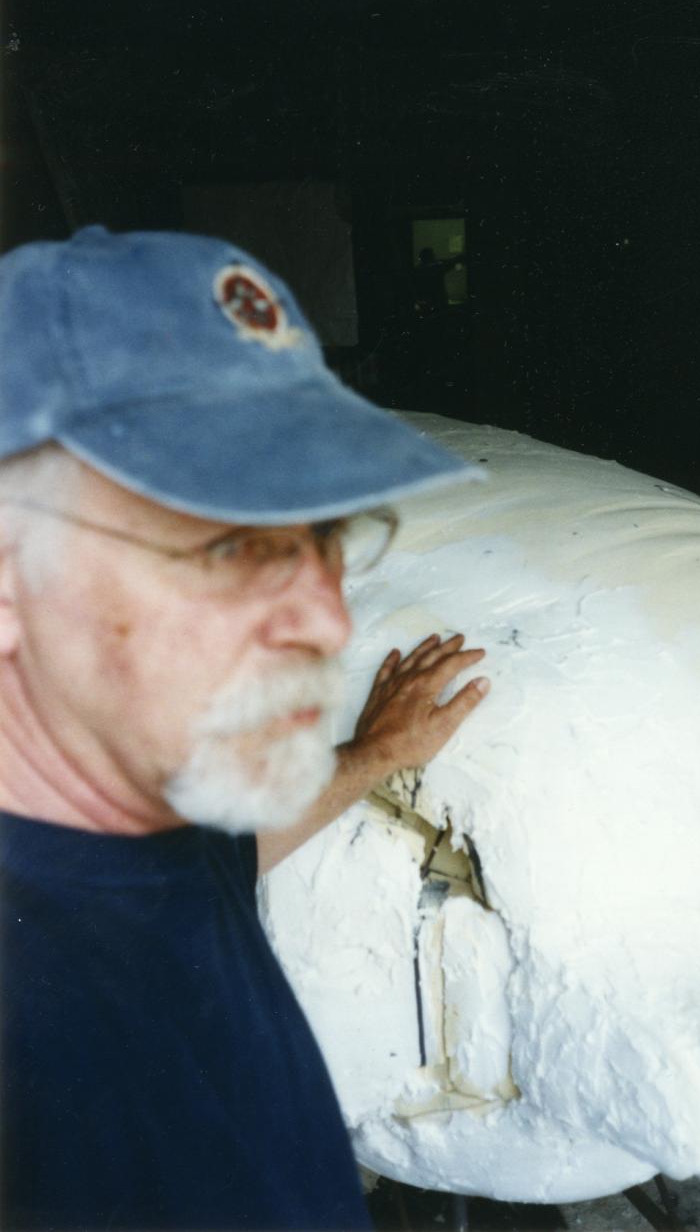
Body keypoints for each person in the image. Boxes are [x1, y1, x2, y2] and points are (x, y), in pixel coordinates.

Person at [0, 226, 490, 1230]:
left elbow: (222, 861)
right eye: (227, 545)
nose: (329, 619)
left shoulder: (139, 818)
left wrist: (373, 756)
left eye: (324, 536)